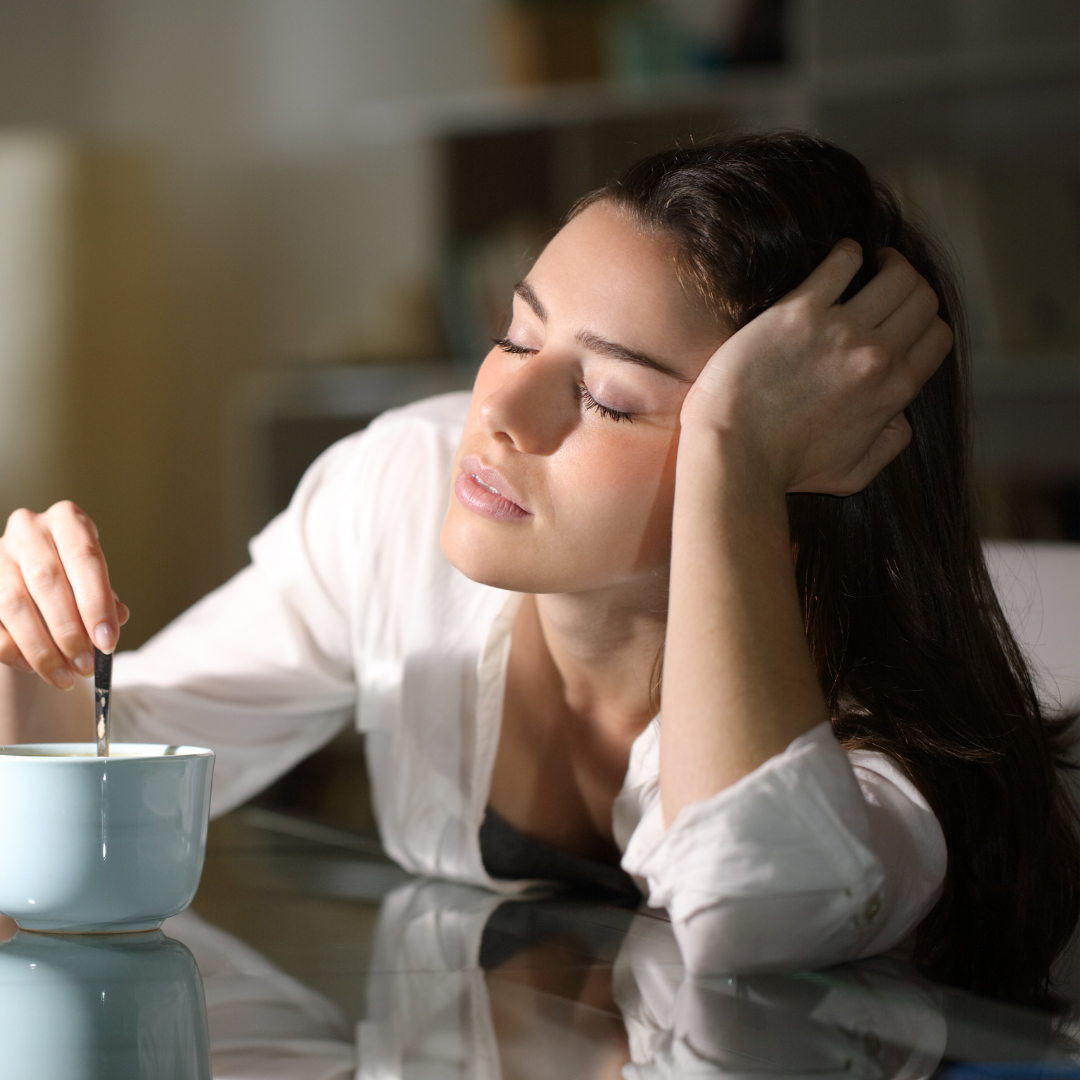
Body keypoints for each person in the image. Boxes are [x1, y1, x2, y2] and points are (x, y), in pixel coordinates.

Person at [0, 133, 1075, 1004]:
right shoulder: (403, 491)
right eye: (516, 337)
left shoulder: (881, 726)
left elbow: (754, 914)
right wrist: (17, 652)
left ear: (794, 462)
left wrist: (731, 464)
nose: (497, 413)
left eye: (607, 397)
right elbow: (123, 745)